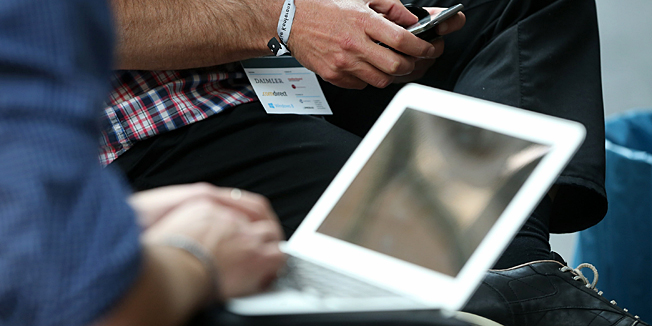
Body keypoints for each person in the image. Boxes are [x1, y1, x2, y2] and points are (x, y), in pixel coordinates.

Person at [100, 0, 648, 325]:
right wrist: (285, 17)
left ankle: (516, 275)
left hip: (256, 64)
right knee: (415, 235)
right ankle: (518, 284)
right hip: (153, 133)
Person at [0, 0, 286, 325]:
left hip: (243, 81)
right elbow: (95, 302)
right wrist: (193, 255)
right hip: (160, 130)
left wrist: (128, 215)